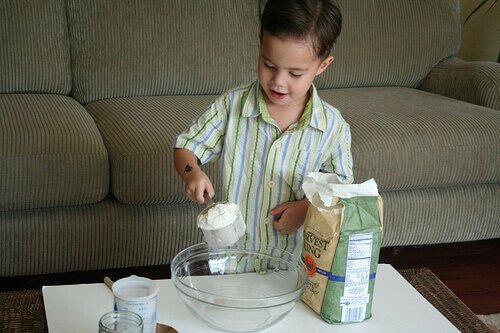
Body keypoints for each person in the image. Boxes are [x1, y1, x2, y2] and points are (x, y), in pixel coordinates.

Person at [174, 0, 353, 259]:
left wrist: (305, 208)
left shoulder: (332, 128)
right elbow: (186, 148)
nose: (278, 82)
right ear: (260, 46)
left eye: (295, 73)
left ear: (322, 66)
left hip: (293, 264)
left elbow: (340, 190)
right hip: (236, 260)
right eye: (269, 65)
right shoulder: (231, 106)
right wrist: (192, 174)